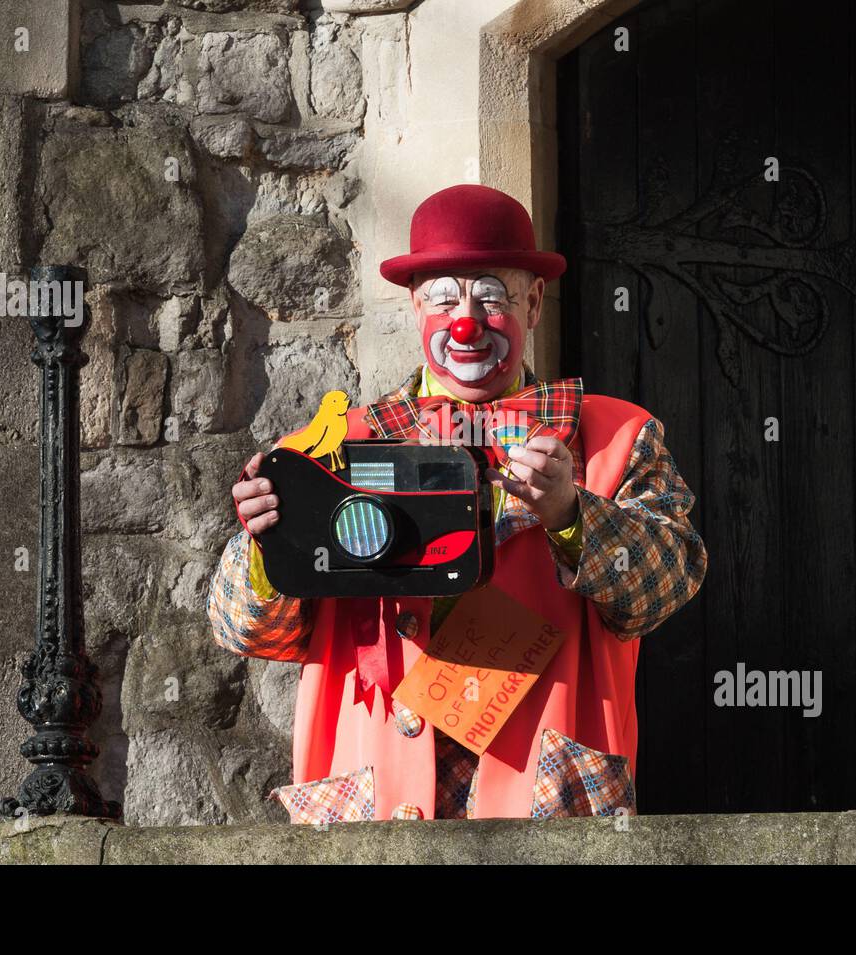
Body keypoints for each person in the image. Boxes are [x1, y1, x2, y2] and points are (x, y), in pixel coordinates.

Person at [208, 183, 707, 823]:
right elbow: (243, 629)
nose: (465, 320)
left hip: (545, 795)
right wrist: (268, 543)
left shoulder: (615, 437)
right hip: (378, 798)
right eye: (444, 297)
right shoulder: (330, 448)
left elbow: (670, 584)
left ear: (532, 303)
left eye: (491, 296)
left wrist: (572, 515)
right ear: (416, 307)